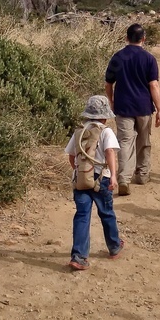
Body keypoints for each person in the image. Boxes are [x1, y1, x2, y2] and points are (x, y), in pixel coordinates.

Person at [64, 95, 124, 270]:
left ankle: (79, 256)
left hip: (81, 180)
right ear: (105, 115)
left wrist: (80, 172)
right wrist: (113, 175)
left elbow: (71, 156)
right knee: (106, 213)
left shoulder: (80, 131)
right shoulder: (106, 131)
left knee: (82, 216)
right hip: (101, 179)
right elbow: (110, 153)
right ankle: (114, 246)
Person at [104, 23, 160, 196]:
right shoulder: (149, 59)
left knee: (124, 143)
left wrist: (111, 101)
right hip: (144, 106)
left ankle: (123, 178)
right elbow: (153, 85)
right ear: (143, 38)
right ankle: (143, 174)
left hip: (123, 106)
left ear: (126, 38)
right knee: (144, 141)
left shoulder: (118, 57)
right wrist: (159, 109)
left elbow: (108, 83)